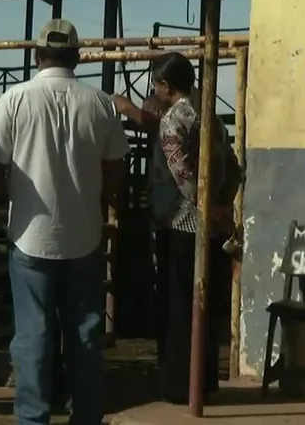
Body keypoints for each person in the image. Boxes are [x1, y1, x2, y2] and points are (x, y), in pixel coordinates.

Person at [0, 19, 130, 425]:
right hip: (84, 237)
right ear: (78, 56)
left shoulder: (15, 99)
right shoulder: (100, 104)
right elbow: (116, 171)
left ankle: (32, 419)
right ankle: (87, 417)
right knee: (84, 335)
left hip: (30, 238)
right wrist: (101, 202)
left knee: (33, 336)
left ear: (37, 55)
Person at [149, 51, 241, 404]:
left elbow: (184, 175)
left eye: (157, 84)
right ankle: (204, 382)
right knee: (206, 307)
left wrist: (210, 208)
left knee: (179, 308)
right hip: (212, 227)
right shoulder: (211, 118)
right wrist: (223, 205)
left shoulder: (173, 120)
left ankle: (179, 386)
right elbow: (234, 168)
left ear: (166, 86)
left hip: (181, 224)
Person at [112, 93, 173, 393]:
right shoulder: (164, 138)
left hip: (173, 221)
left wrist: (125, 106)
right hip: (161, 219)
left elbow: (153, 123)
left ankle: (171, 368)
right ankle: (169, 363)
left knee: (169, 291)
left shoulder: (172, 125)